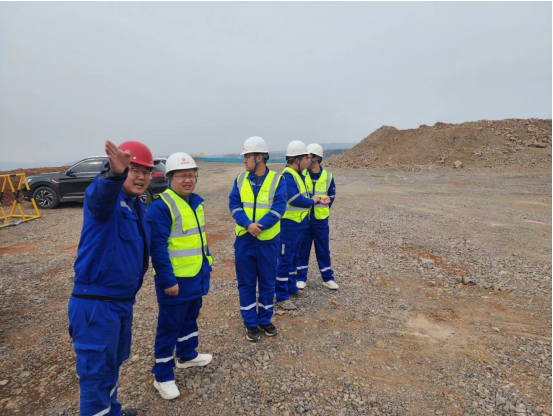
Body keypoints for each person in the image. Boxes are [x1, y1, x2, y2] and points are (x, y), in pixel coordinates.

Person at [68, 140, 154, 416]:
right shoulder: (108, 202)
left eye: (146, 171)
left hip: (121, 303)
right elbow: (99, 197)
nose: (141, 176)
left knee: (112, 365)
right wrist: (114, 174)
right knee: (95, 378)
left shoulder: (137, 205)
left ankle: (112, 411)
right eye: (134, 170)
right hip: (96, 305)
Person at [147, 152, 213, 400]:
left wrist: (207, 266)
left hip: (195, 275)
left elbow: (198, 240)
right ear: (169, 178)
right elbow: (158, 248)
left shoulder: (195, 202)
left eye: (191, 175)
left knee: (190, 318)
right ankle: (162, 376)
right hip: (175, 281)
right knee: (169, 327)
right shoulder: (160, 207)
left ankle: (187, 354)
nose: (188, 180)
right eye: (182, 176)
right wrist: (168, 281)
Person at [229, 136, 287, 341]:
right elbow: (234, 205)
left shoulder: (277, 180)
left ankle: (264, 320)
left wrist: (259, 226)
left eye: (247, 156)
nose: (244, 160)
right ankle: (250, 323)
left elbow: (279, 208)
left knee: (267, 283)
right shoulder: (239, 179)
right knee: (246, 283)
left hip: (267, 242)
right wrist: (248, 225)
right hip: (245, 241)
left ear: (259, 157)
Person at [275, 141, 330, 310]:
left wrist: (316, 200)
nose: (308, 161)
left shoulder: (298, 175)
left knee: (293, 258)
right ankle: (281, 296)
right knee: (284, 260)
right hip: (288, 226)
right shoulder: (287, 177)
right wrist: (313, 201)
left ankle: (291, 288)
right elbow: (294, 199)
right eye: (305, 158)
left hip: (299, 225)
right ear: (296, 159)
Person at [297, 143, 339, 290]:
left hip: (320, 220)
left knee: (323, 249)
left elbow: (331, 195)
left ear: (316, 158)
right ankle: (300, 278)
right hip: (305, 219)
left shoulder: (328, 176)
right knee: (303, 249)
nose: (306, 160)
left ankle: (327, 278)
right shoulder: (301, 175)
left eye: (308, 157)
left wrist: (324, 207)